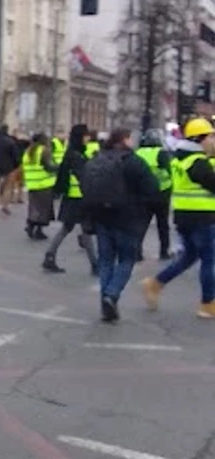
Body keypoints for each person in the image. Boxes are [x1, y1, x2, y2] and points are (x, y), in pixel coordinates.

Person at [82, 127, 159, 322]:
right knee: (126, 259)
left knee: (106, 260)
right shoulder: (133, 161)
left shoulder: (98, 158)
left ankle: (105, 303)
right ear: (124, 140)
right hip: (127, 217)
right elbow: (152, 188)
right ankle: (112, 294)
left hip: (101, 217)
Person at [142, 117, 215, 318]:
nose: (213, 140)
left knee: (189, 256)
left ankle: (155, 283)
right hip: (202, 216)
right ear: (199, 139)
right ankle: (208, 303)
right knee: (209, 260)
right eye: (211, 136)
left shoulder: (180, 158)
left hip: (184, 217)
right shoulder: (197, 162)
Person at [42, 124, 99, 274]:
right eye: (86, 135)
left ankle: (50, 255)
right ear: (80, 137)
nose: (88, 138)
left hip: (73, 197)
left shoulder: (74, 152)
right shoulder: (76, 155)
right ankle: (95, 264)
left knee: (70, 228)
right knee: (83, 228)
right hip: (78, 197)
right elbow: (83, 176)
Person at [135, 129, 173, 261]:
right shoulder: (161, 153)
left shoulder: (138, 153)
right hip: (161, 193)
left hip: (143, 194)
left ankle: (137, 252)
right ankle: (164, 251)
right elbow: (169, 171)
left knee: (141, 224)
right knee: (162, 225)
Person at [22, 132, 57, 240]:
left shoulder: (28, 151)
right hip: (44, 183)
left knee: (34, 207)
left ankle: (31, 225)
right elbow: (48, 166)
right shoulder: (43, 151)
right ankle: (38, 230)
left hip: (32, 183)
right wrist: (58, 167)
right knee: (44, 209)